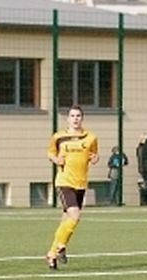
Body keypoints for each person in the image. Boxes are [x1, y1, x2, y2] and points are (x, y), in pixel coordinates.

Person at [44, 104, 99, 269]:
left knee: (66, 220)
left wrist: (95, 159)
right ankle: (60, 246)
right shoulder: (59, 137)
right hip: (64, 181)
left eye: (78, 116)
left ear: (82, 118)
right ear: (68, 119)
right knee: (75, 215)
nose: (75, 119)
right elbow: (50, 153)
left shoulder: (91, 137)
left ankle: (52, 254)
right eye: (72, 116)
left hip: (80, 183)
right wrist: (56, 160)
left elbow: (94, 156)